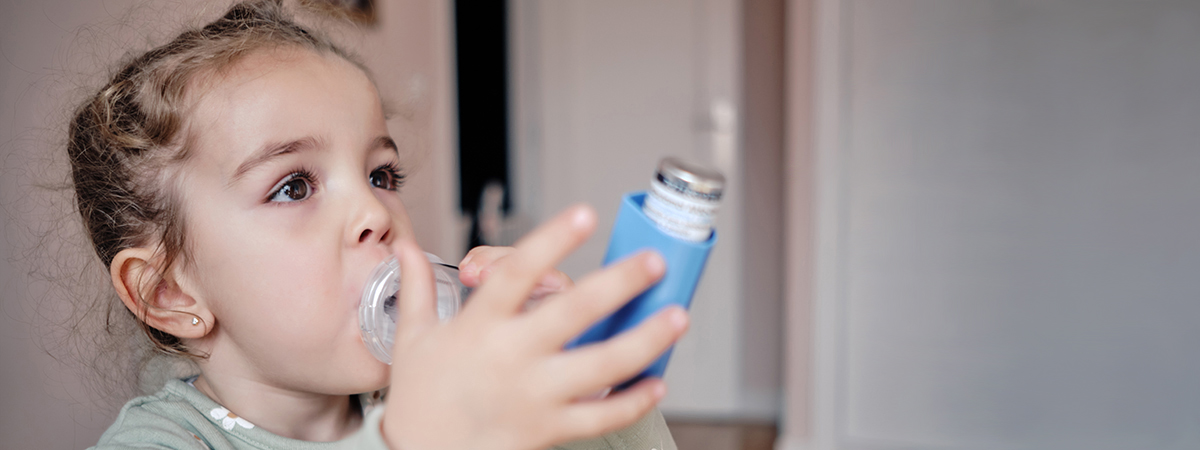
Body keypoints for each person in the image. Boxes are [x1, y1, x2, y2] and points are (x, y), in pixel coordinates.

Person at [68, 1, 688, 448]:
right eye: (293, 186)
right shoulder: (161, 442)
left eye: (381, 176)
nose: (374, 213)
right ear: (170, 294)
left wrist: (595, 385)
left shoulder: (423, 393)